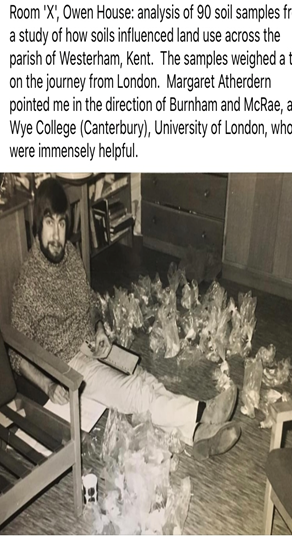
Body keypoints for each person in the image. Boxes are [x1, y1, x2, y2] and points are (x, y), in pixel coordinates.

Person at [9, 177, 241, 460]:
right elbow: (16, 353)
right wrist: (48, 384)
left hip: (92, 346)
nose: (56, 234)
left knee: (146, 380)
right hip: (67, 363)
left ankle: (196, 435)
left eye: (61, 223)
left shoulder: (70, 255)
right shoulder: (28, 282)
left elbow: (91, 303)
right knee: (134, 392)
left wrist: (98, 329)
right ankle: (203, 411)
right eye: (49, 223)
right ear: (37, 224)